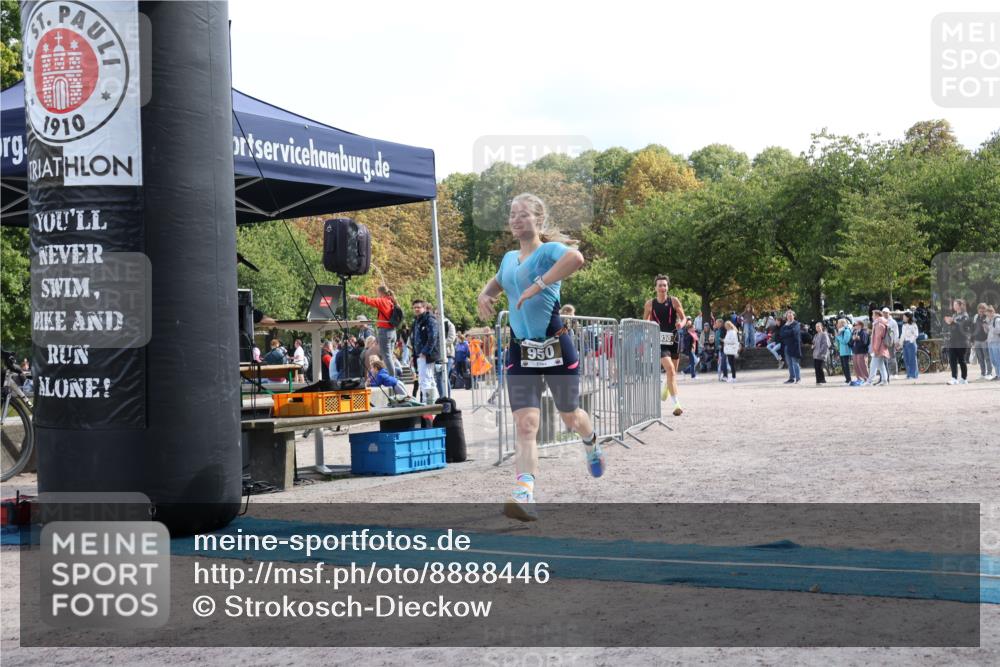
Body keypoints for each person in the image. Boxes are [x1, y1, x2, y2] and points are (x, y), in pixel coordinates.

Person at [476, 192, 602, 522]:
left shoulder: (547, 253)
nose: (516, 219)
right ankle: (524, 492)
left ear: (538, 220)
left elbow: (576, 258)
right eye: (512, 215)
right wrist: (484, 294)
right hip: (521, 350)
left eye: (523, 214)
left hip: (556, 347)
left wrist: (540, 284)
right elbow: (498, 283)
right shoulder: (507, 259)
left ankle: (590, 440)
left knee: (570, 417)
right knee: (526, 424)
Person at [643, 274, 686, 416]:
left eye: (665, 285)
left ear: (668, 287)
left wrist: (682, 323)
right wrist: (649, 327)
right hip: (659, 341)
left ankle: (665, 388)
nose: (662, 288)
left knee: (673, 373)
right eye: (660, 285)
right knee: (670, 370)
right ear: (655, 287)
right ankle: (677, 405)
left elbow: (683, 317)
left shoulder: (674, 301)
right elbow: (645, 321)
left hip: (674, 339)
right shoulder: (650, 304)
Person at [350, 286, 401, 378]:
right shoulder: (392, 301)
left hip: (385, 332)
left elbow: (369, 300)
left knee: (386, 357)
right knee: (390, 356)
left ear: (381, 293)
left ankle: (391, 378)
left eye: (377, 293)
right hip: (393, 332)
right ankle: (392, 377)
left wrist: (356, 297)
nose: (377, 295)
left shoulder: (383, 301)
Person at [410, 299, 440, 403]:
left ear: (424, 307)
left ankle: (428, 403)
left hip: (427, 355)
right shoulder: (416, 321)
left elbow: (433, 337)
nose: (416, 309)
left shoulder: (430, 319)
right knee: (428, 379)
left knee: (425, 379)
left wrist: (425, 352)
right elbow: (414, 339)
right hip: (419, 354)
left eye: (419, 307)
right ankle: (434, 401)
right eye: (415, 307)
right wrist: (414, 355)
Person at [943, 299, 970, 385]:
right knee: (952, 359)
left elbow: (963, 326)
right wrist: (949, 322)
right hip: (953, 341)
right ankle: (954, 378)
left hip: (961, 341)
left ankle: (964, 378)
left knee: (962, 360)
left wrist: (953, 322)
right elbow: (953, 326)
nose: (953, 306)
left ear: (960, 305)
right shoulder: (954, 315)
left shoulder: (965, 315)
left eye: (955, 304)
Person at [778, 310, 802, 384]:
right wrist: (788, 332)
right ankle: (791, 378)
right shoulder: (785, 325)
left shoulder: (796, 324)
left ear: (793, 316)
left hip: (794, 346)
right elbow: (781, 334)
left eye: (791, 315)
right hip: (786, 346)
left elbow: (794, 332)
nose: (789, 317)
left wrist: (787, 333)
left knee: (795, 363)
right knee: (789, 363)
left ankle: (798, 379)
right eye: (788, 316)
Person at [971, 302, 994, 379]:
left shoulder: (987, 318)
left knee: (987, 357)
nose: (981, 312)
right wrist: (972, 340)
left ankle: (989, 373)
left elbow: (990, 329)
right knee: (980, 358)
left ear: (985, 310)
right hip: (976, 340)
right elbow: (972, 328)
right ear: (978, 310)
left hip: (985, 340)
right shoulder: (975, 317)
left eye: (983, 310)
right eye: (980, 310)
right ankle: (982, 373)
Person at [868, 312, 890, 386]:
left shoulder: (878, 324)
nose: (872, 316)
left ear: (877, 316)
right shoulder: (882, 323)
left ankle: (870, 381)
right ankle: (884, 380)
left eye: (873, 315)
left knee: (873, 365)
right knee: (881, 366)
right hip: (882, 347)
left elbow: (878, 338)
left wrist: (875, 349)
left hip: (878, 348)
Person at [900, 312, 920, 379]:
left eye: (904, 317)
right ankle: (909, 374)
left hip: (911, 343)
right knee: (906, 359)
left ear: (908, 318)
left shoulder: (913, 325)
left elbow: (916, 334)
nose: (903, 318)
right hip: (905, 343)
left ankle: (913, 375)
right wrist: (900, 343)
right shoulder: (904, 325)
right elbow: (902, 335)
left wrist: (911, 341)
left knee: (912, 360)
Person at [850, 320, 870, 385]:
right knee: (856, 365)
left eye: (856, 325)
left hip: (862, 352)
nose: (854, 326)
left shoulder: (864, 332)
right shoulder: (854, 332)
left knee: (862, 365)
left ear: (860, 325)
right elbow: (850, 343)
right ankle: (859, 379)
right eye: (854, 325)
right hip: (855, 351)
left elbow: (865, 343)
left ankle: (866, 379)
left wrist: (858, 339)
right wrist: (853, 339)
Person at [835, 318, 853, 384]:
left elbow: (845, 341)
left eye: (838, 323)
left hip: (846, 351)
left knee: (846, 366)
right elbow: (837, 342)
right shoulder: (840, 331)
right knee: (843, 366)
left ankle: (849, 379)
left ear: (842, 324)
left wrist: (838, 337)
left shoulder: (847, 330)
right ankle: (847, 379)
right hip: (841, 351)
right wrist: (836, 338)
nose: (837, 325)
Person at [987, 304, 1000, 382]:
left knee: (997, 359)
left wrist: (990, 328)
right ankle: (997, 374)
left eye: (988, 313)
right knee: (993, 360)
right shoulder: (991, 320)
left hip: (996, 342)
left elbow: (998, 330)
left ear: (992, 312)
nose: (987, 315)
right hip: (991, 342)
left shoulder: (997, 320)